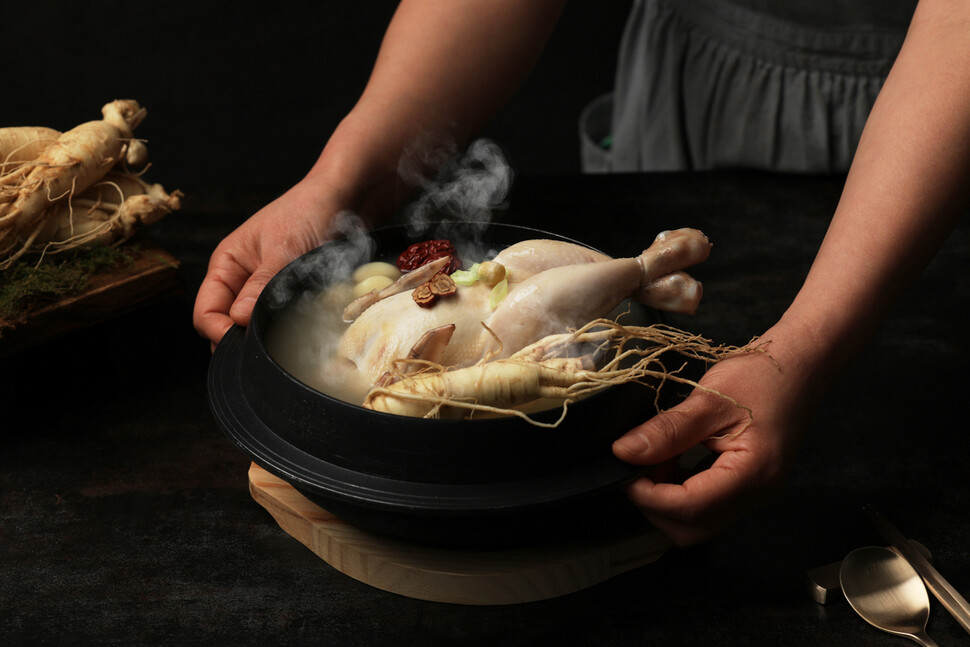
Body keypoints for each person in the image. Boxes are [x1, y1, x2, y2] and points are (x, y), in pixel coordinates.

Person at [193, 0, 970, 545]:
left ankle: (650, 267)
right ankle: (645, 273)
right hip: (696, 84)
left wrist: (797, 349)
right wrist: (340, 189)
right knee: (532, 295)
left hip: (934, 147)